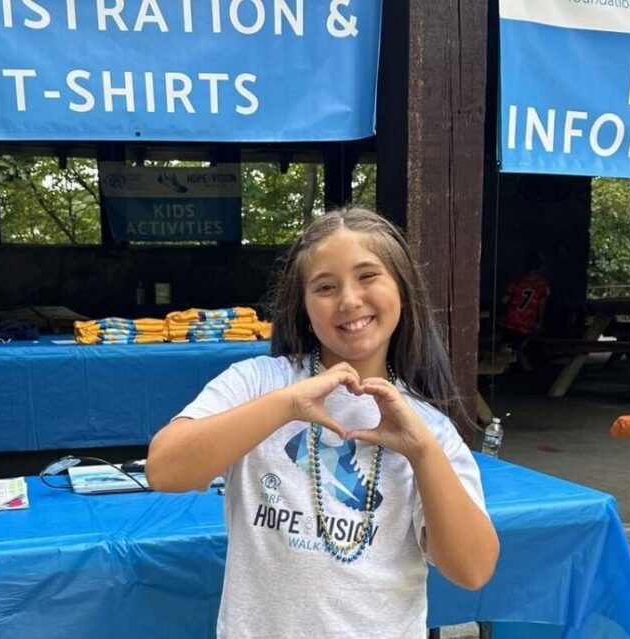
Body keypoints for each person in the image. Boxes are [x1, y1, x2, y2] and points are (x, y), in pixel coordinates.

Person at [147, 207, 499, 638]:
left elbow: (472, 569)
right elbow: (164, 470)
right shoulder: (258, 383)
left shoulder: (428, 427)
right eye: (325, 287)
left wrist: (422, 451)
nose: (349, 300)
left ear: (402, 290)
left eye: (368, 276)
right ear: (304, 308)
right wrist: (289, 404)